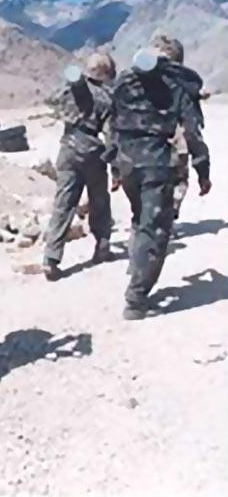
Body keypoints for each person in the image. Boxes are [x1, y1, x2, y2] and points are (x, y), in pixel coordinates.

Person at [107, 40, 212, 321]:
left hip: (127, 162)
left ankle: (136, 266)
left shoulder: (126, 80)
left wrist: (114, 167)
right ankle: (136, 297)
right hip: (157, 164)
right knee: (155, 229)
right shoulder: (178, 83)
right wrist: (203, 169)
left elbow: (112, 123)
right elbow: (192, 133)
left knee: (139, 218)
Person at [42, 52, 117, 281]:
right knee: (99, 201)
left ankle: (51, 258)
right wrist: (116, 167)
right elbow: (111, 135)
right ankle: (102, 246)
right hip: (92, 150)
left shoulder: (70, 89)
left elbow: (51, 101)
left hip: (68, 148)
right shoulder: (107, 98)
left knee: (63, 204)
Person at [149, 35, 209, 236]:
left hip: (141, 146)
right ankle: (165, 221)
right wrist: (202, 169)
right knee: (177, 183)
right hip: (174, 145)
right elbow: (192, 130)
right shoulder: (185, 86)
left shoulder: (140, 82)